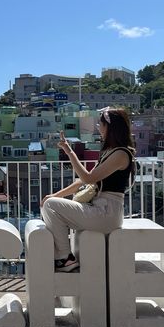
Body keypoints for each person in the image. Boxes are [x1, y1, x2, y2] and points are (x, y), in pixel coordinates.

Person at [40, 107, 136, 272]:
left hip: (106, 213)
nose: (98, 126)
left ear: (109, 127)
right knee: (50, 204)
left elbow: (88, 178)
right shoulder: (111, 152)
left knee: (51, 207)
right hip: (100, 209)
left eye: (101, 123)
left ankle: (65, 258)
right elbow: (82, 182)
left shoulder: (121, 154)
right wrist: (54, 195)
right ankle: (65, 257)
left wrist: (70, 152)